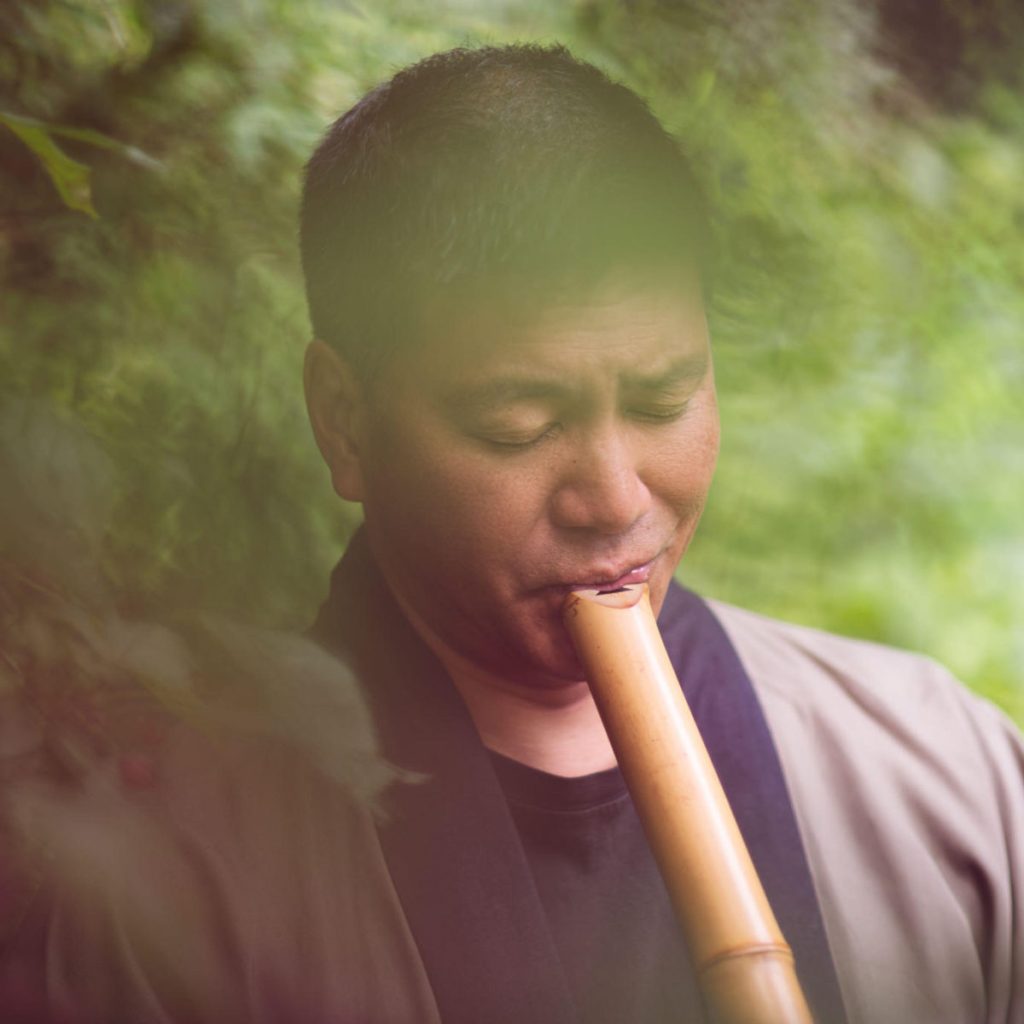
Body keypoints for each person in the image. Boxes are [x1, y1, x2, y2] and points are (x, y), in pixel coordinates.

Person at [0, 42, 1021, 1024]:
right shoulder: (159, 876)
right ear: (345, 422)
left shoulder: (948, 772)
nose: (613, 499)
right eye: (517, 425)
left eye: (664, 401)